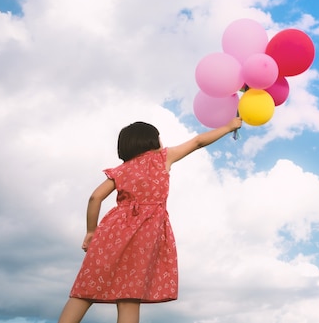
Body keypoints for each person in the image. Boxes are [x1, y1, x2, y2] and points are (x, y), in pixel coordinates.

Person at [58, 117, 242, 323]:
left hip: (112, 232)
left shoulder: (120, 171)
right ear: (152, 141)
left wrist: (91, 232)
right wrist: (228, 127)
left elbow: (95, 197)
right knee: (129, 294)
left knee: (86, 287)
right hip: (145, 236)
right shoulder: (162, 158)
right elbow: (198, 142)